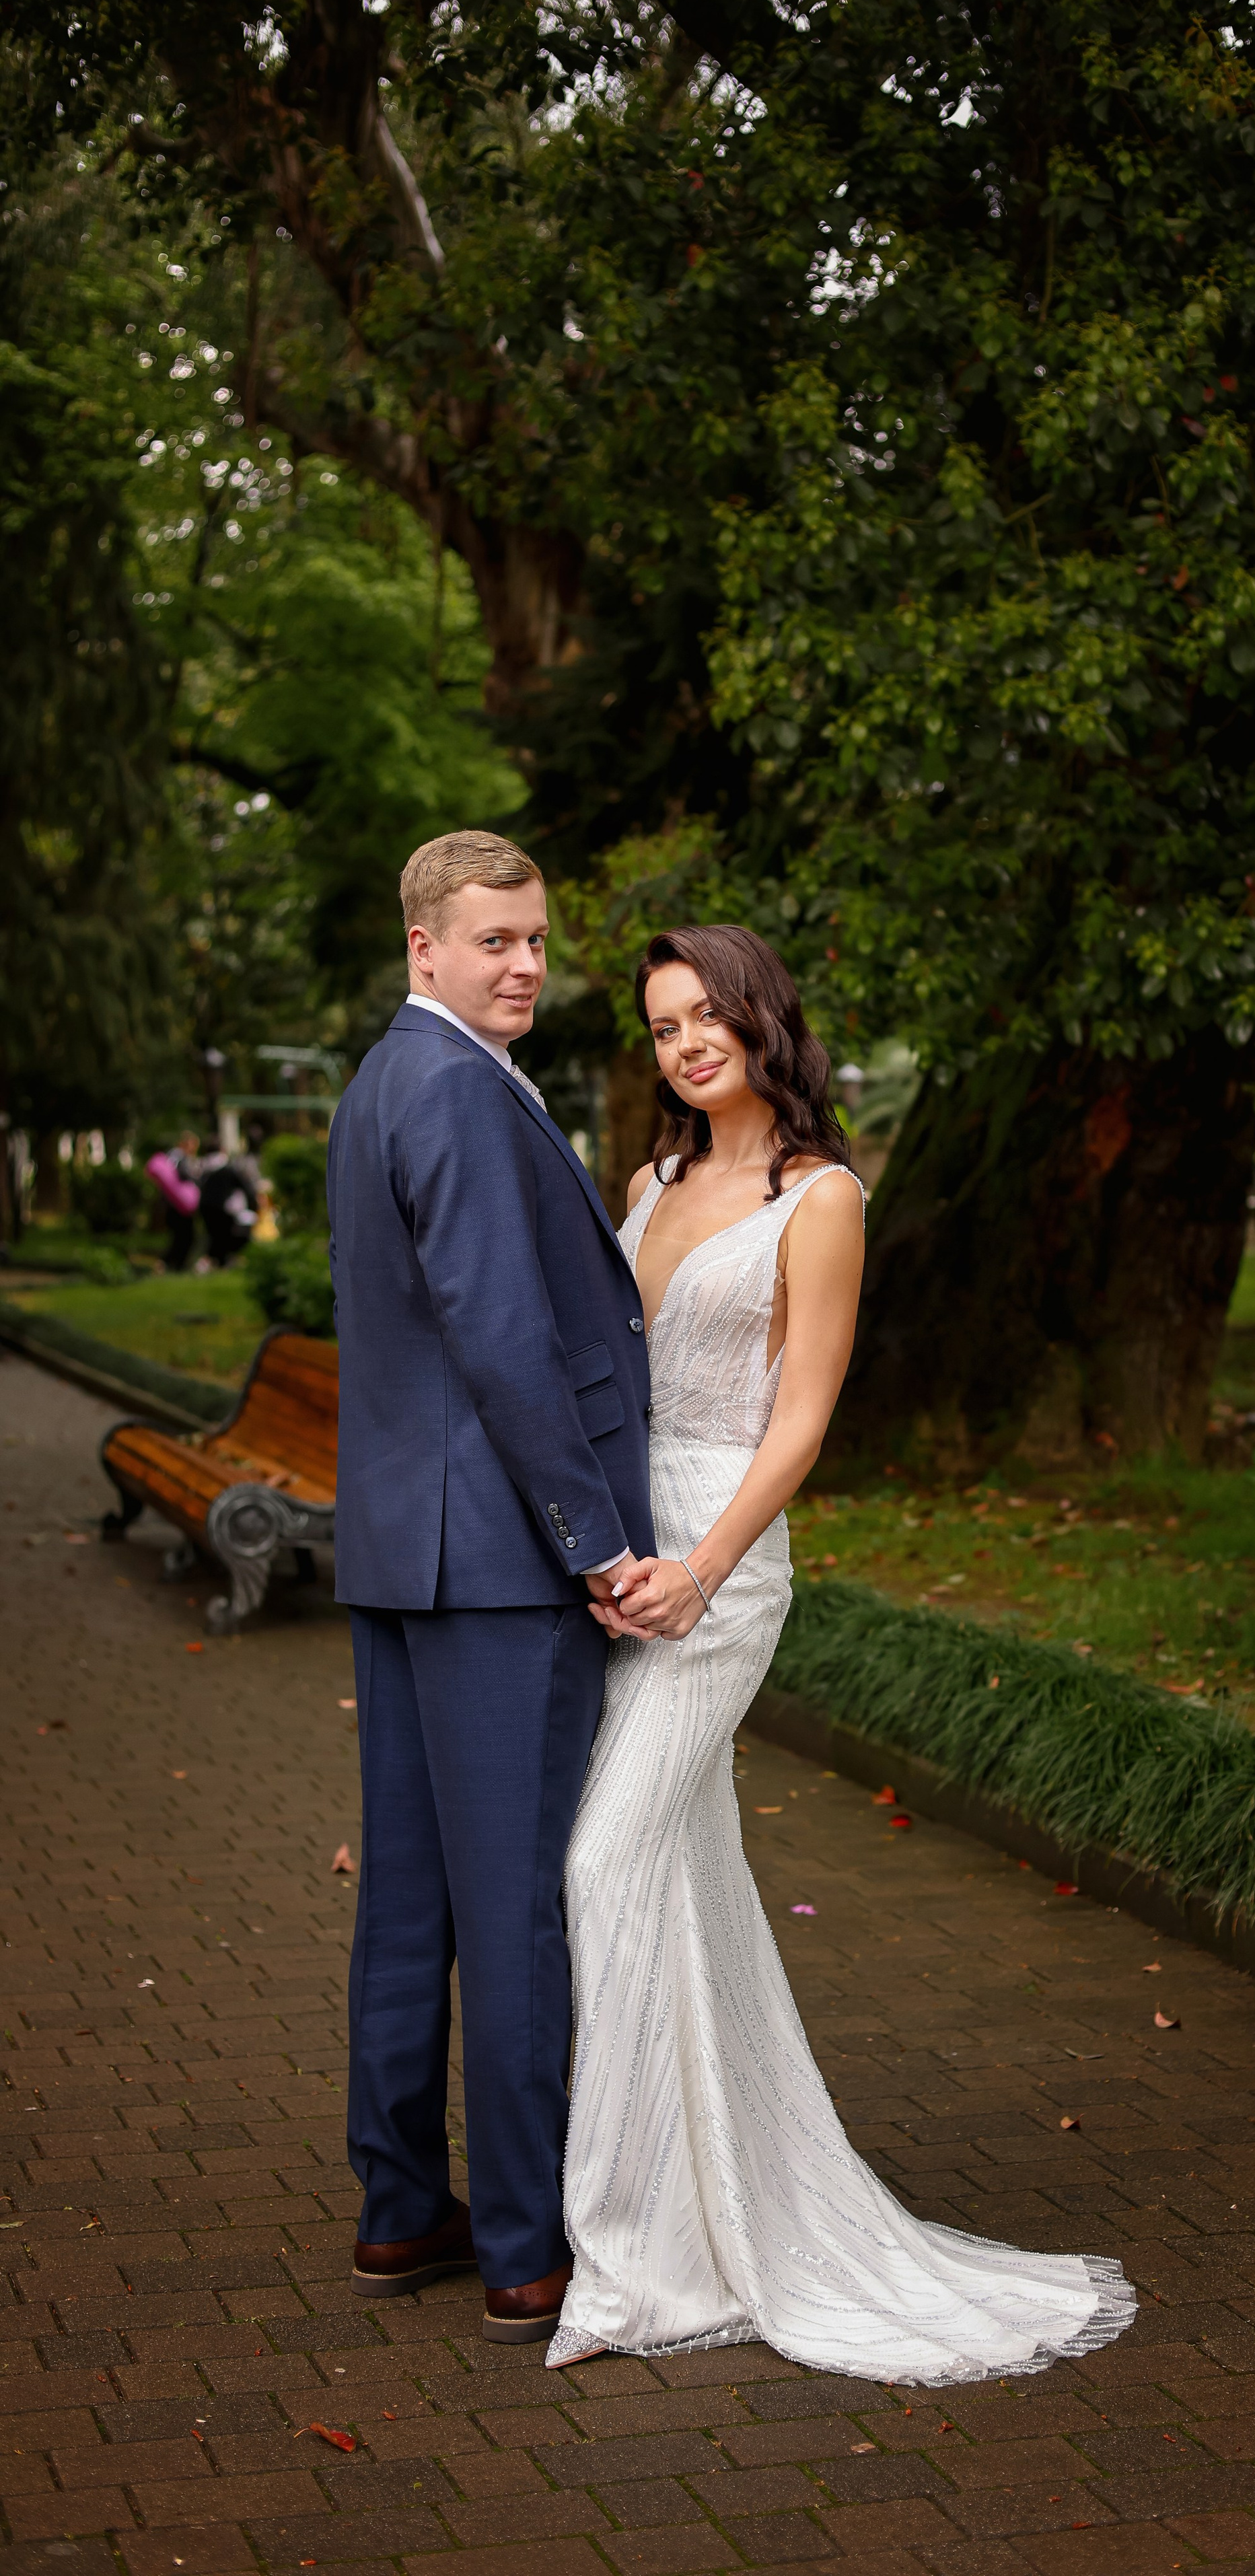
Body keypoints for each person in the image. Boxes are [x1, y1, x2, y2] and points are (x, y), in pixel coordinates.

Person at [548, 925, 1134, 2383]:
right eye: (662, 1025)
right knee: (677, 1877)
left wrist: (698, 1570)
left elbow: (801, 1422)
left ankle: (631, 2262)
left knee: (601, 1865)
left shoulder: (823, 1200)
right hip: (627, 1563)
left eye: (706, 1017)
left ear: (762, 1021)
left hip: (720, 1573)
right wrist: (602, 1555)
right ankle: (692, 2214)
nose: (686, 1044)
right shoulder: (647, 1183)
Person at [328, 830, 653, 2345]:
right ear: (424, 950)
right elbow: (503, 1340)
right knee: (512, 1911)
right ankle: (524, 2246)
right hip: (499, 1571)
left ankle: (402, 2209)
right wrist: (594, 1542)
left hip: (405, 1552)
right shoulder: (456, 1089)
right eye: (494, 941)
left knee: (410, 1900)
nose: (525, 962)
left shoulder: (385, 1082)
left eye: (535, 938)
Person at [145, 1131, 203, 1271]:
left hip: (171, 1204)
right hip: (180, 1205)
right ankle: (170, 1265)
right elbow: (184, 1175)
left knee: (180, 1237)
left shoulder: (170, 1156)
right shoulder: (180, 1158)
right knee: (186, 1237)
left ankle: (170, 1264)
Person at [196, 1140, 258, 1267]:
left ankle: (215, 1262)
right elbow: (245, 1187)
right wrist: (254, 1203)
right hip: (223, 1209)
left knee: (214, 1237)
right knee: (225, 1237)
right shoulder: (227, 1168)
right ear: (222, 1150)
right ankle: (222, 1263)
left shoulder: (201, 1167)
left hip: (205, 1207)